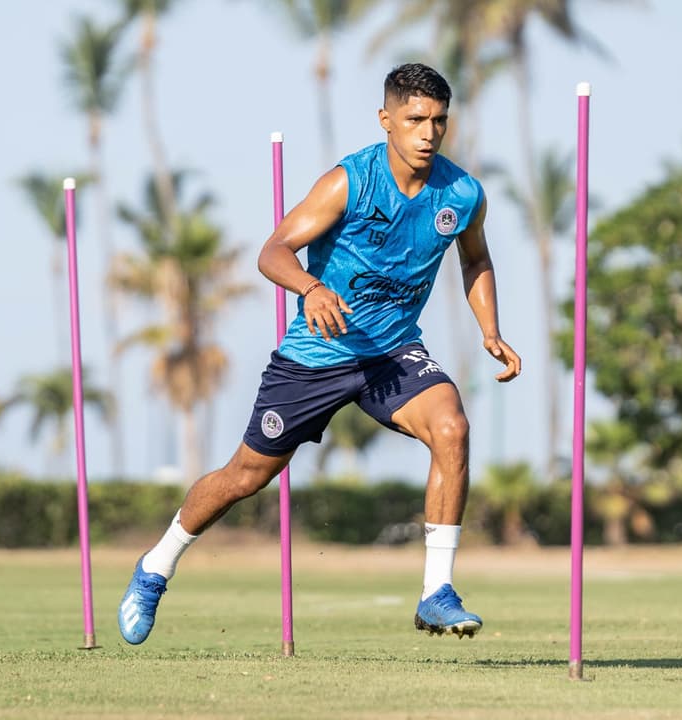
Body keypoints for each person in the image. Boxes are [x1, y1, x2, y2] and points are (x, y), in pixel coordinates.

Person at [118, 62, 522, 645]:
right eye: (415, 120)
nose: (428, 132)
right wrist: (311, 287)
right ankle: (155, 567)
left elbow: (475, 258)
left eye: (438, 120)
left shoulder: (462, 192)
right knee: (245, 476)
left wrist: (490, 330)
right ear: (387, 120)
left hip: (393, 352)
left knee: (452, 427)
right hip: (317, 355)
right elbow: (273, 250)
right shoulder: (348, 182)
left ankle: (437, 591)